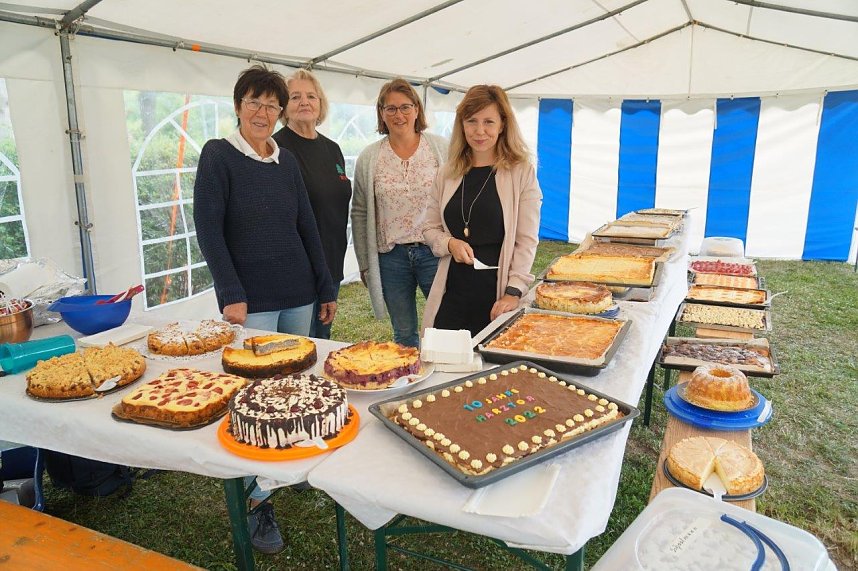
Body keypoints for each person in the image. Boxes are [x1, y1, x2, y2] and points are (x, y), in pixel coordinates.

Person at [194, 64, 336, 554]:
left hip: (297, 290)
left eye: (271, 105)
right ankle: (258, 500)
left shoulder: (286, 161)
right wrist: (231, 292)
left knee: (294, 384)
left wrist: (325, 286)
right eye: (254, 102)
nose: (263, 112)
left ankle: (282, 469)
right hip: (250, 299)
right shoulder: (218, 156)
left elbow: (307, 228)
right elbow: (209, 231)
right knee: (253, 396)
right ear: (238, 106)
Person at [423, 85, 541, 336]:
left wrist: (513, 292)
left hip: (496, 296)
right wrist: (450, 243)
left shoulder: (521, 172)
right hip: (452, 291)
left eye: (489, 122)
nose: (479, 131)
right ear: (461, 125)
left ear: (502, 125)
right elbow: (429, 228)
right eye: (472, 121)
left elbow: (526, 240)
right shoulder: (447, 172)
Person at [351, 78, 448, 347]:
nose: (399, 115)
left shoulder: (440, 148)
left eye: (405, 107)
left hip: (434, 253)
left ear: (417, 109)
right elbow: (359, 212)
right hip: (391, 257)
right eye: (390, 108)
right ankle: (408, 385)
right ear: (381, 113)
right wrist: (364, 262)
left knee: (444, 325)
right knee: (404, 333)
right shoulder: (370, 157)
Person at [272, 69, 351, 339]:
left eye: (311, 96)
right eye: (295, 97)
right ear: (283, 106)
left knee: (323, 336)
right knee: (301, 343)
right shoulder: (276, 148)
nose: (304, 102)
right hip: (298, 266)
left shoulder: (332, 148)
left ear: (321, 104)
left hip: (332, 260)